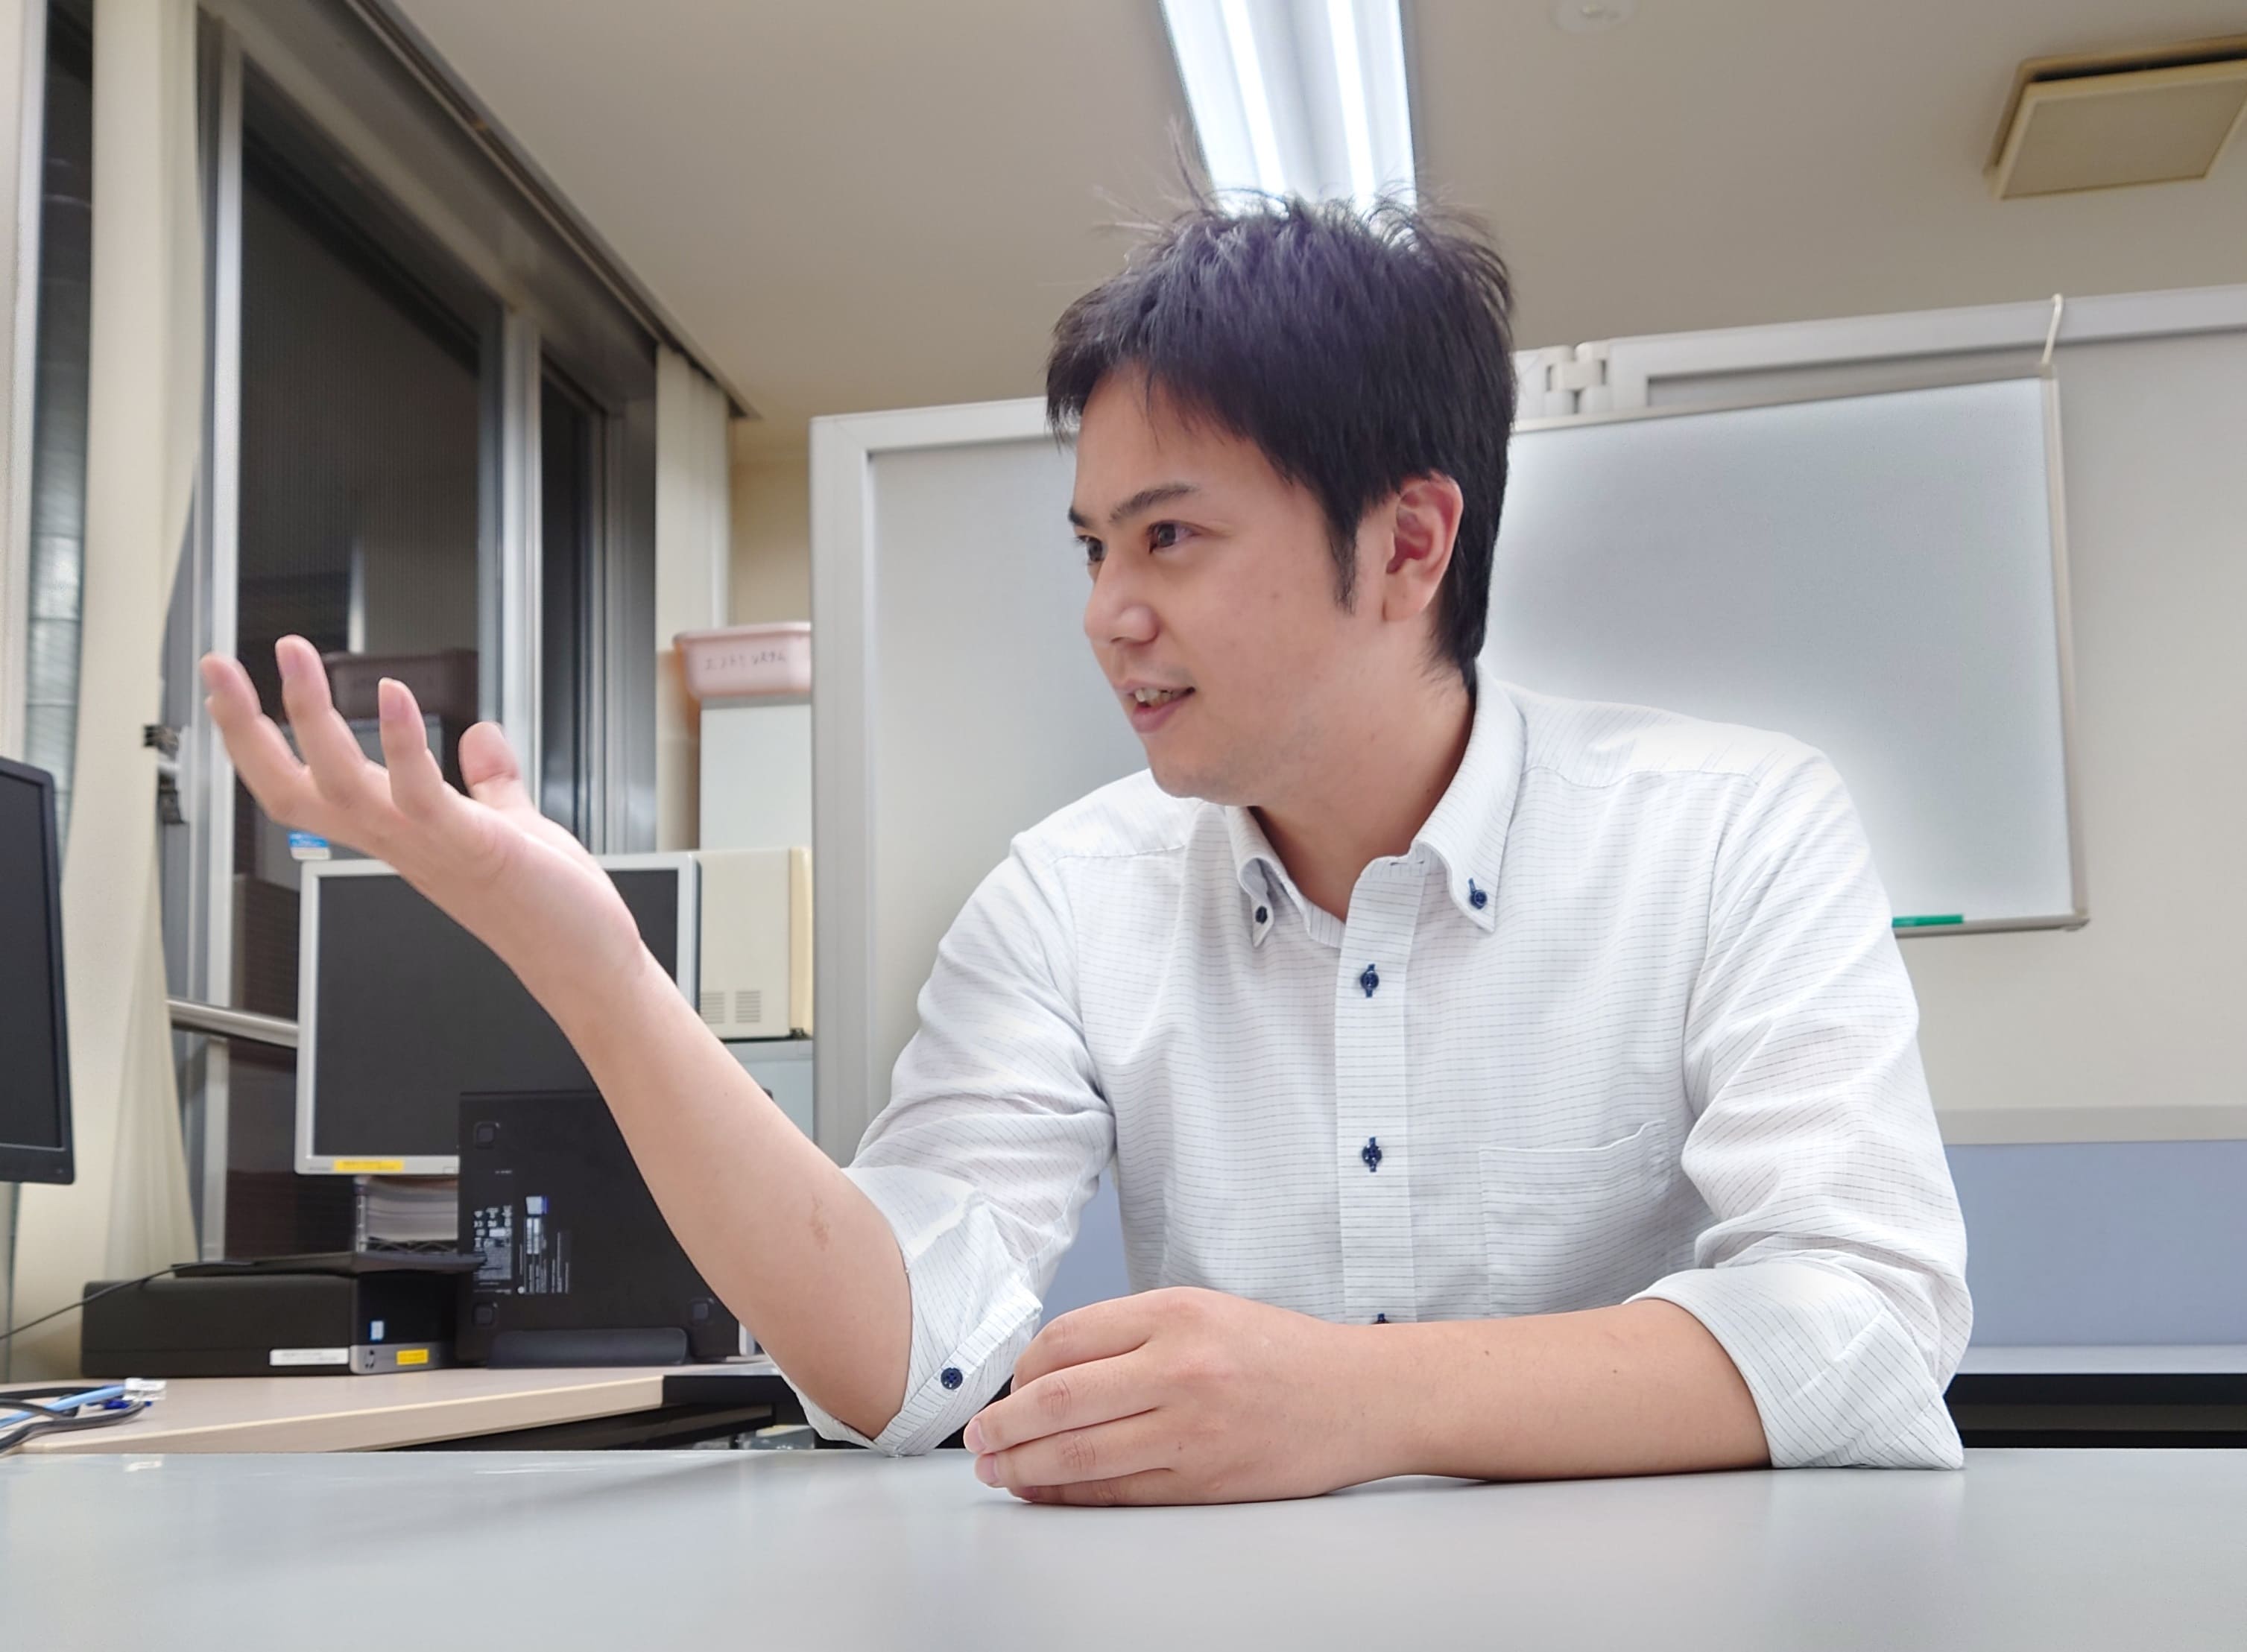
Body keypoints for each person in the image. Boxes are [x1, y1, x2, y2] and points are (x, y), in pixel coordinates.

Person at [201, 194, 1970, 1507]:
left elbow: (1866, 1318)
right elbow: (899, 1356)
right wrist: (592, 963)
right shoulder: (1064, 895)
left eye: (1169, 537)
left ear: (1407, 541)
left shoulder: (1730, 829)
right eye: (1090, 547)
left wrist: (1354, 1397)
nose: (1107, 612)